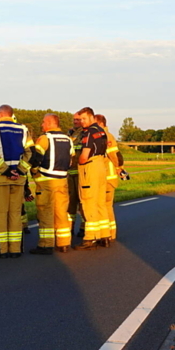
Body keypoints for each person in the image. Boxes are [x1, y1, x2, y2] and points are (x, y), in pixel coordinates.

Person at [0, 104, 34, 258]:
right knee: (15, 214)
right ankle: (15, 249)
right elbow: (31, 153)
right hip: (18, 180)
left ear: (0, 114)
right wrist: (20, 170)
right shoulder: (24, 130)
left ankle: (1, 250)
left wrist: (5, 170)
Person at [29, 113, 73, 255]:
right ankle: (64, 243)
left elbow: (36, 158)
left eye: (43, 122)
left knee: (45, 212)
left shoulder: (44, 138)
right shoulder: (68, 139)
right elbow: (71, 160)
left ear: (49, 123)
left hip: (47, 181)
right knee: (61, 212)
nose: (42, 125)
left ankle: (46, 245)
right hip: (63, 180)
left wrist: (34, 171)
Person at [74, 107, 109, 249]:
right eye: (80, 119)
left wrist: (76, 161)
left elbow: (83, 157)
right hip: (101, 166)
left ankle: (91, 238)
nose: (81, 122)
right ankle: (104, 235)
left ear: (91, 117)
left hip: (90, 167)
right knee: (100, 203)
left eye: (83, 119)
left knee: (88, 202)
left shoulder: (88, 133)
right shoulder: (101, 131)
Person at [96, 114, 123, 242]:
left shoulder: (105, 136)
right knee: (106, 206)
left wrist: (119, 167)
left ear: (100, 123)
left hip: (106, 178)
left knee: (103, 206)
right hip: (107, 177)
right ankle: (109, 233)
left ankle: (107, 233)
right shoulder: (105, 135)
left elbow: (114, 155)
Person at [67, 111, 83, 242]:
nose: (75, 122)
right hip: (70, 173)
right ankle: (69, 227)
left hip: (81, 172)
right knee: (70, 202)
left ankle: (84, 228)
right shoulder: (70, 133)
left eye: (78, 120)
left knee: (83, 202)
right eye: (74, 120)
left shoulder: (85, 133)